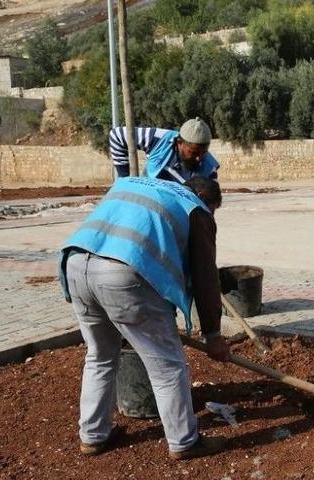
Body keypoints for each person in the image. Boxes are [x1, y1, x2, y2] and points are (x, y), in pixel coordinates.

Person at [58, 175, 229, 459]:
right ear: (203, 197)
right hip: (123, 273)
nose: (211, 216)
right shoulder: (195, 208)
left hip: (76, 263)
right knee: (167, 366)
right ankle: (185, 442)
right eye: (214, 210)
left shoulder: (137, 184)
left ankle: (93, 436)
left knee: (99, 356)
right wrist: (213, 335)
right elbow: (205, 278)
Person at [109, 118, 219, 182]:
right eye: (193, 153)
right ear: (179, 142)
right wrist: (125, 179)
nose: (199, 158)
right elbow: (117, 136)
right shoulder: (157, 139)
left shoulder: (209, 170)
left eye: (204, 153)